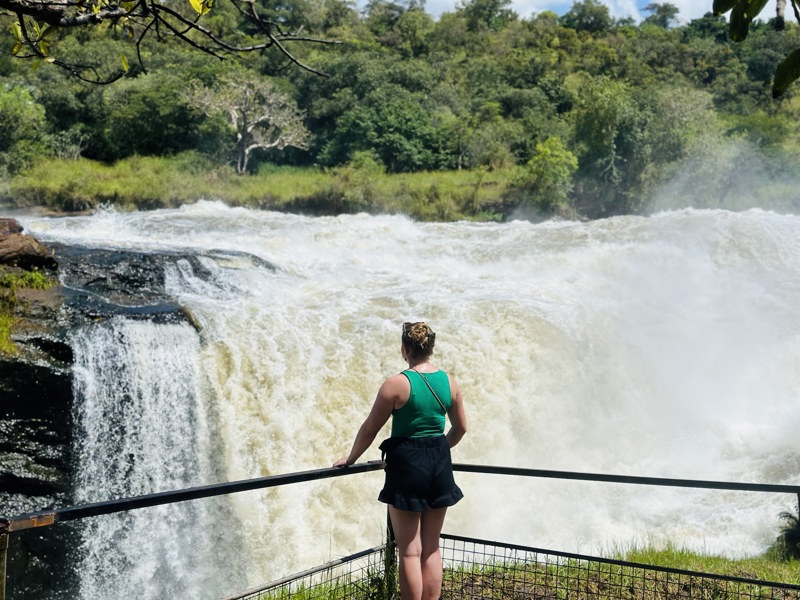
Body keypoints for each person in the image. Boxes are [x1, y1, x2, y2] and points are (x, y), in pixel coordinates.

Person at [334, 321, 467, 600]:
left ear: (404, 349)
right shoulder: (450, 382)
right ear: (430, 348)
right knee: (431, 547)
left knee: (409, 549)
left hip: (408, 464)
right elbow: (461, 428)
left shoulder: (396, 384)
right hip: (439, 462)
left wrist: (351, 458)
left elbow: (370, 428)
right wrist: (439, 448)